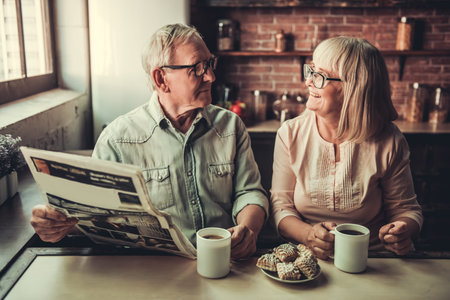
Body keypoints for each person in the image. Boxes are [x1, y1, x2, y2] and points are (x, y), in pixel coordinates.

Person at [30, 23, 269, 259]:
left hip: (222, 260)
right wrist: (58, 223)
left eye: (209, 64)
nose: (211, 76)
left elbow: (249, 192)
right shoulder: (117, 139)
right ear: (161, 78)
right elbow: (94, 216)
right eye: (197, 67)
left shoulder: (230, 126)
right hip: (149, 269)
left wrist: (248, 231)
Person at [270, 36, 423, 259]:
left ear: (353, 89)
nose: (309, 82)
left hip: (373, 260)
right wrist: (308, 234)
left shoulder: (389, 140)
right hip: (307, 258)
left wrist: (403, 231)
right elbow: (280, 207)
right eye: (311, 70)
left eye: (320, 75)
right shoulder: (290, 134)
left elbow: (407, 210)